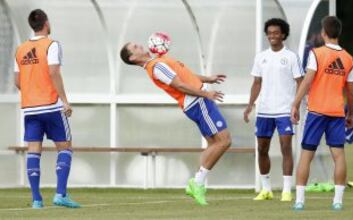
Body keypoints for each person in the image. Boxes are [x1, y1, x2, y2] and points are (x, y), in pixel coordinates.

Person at [120, 43, 232, 206]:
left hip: (195, 102)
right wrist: (206, 94)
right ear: (132, 58)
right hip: (198, 102)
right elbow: (179, 85)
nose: (141, 46)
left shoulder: (157, 62)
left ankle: (196, 182)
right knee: (224, 141)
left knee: (214, 144)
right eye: (135, 47)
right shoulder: (156, 66)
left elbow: (184, 76)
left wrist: (208, 79)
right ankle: (197, 183)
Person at [14, 9, 80, 208]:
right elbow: (53, 72)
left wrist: (32, 91)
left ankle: (36, 200)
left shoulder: (20, 49)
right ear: (46, 23)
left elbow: (17, 81)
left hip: (30, 108)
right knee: (65, 147)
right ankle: (60, 194)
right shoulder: (52, 44)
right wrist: (65, 101)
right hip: (51, 105)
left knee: (34, 150)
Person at [291, 16, 353, 211]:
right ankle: (338, 201)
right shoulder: (348, 58)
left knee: (306, 155)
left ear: (323, 33)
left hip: (317, 112)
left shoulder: (316, 53)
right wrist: (350, 114)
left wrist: (294, 104)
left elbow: (307, 81)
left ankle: (300, 201)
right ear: (339, 33)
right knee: (339, 155)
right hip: (337, 112)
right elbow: (351, 92)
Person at [243, 18, 304, 202]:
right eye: (269, 33)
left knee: (286, 148)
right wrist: (249, 105)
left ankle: (286, 190)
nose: (272, 36)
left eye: (276, 33)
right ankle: (266, 189)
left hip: (285, 110)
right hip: (264, 111)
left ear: (283, 34)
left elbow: (300, 82)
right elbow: (256, 82)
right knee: (262, 149)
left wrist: (296, 106)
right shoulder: (261, 57)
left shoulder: (291, 57)